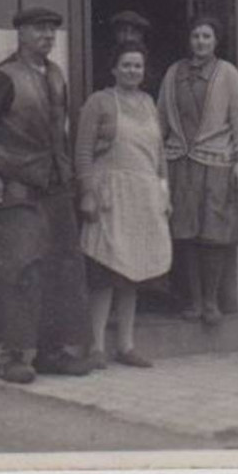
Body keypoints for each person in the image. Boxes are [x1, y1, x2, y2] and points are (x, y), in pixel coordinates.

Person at [0, 7, 96, 384]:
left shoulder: (56, 75)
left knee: (62, 270)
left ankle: (53, 353)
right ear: (20, 34)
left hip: (56, 189)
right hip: (18, 189)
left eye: (51, 30)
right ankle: (12, 356)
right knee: (17, 271)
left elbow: (60, 134)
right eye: (39, 29)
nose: (47, 36)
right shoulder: (4, 78)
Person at [75, 43, 173, 369]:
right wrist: (87, 193)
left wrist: (164, 194)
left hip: (143, 197)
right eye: (127, 65)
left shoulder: (148, 104)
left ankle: (126, 345)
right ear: (114, 69)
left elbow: (160, 157)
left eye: (138, 66)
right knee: (105, 270)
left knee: (134, 270)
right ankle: (96, 347)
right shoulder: (99, 103)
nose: (133, 71)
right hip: (110, 195)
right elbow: (83, 152)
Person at [156, 15, 238, 325]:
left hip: (216, 162)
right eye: (196, 36)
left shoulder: (228, 74)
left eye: (206, 37)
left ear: (216, 41)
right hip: (178, 162)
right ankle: (193, 301)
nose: (200, 42)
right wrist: (155, 158)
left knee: (213, 233)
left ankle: (212, 302)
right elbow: (159, 119)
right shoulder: (173, 73)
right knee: (184, 233)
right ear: (189, 40)